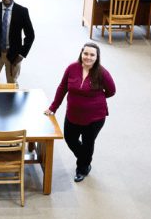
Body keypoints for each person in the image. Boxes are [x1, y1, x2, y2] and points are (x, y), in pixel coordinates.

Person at [45, 42, 116, 182]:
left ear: (97, 57)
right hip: (73, 113)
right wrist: (53, 107)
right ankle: (85, 159)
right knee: (70, 138)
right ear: (81, 53)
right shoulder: (72, 68)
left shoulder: (102, 73)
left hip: (95, 117)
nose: (88, 57)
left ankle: (82, 168)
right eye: (86, 53)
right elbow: (62, 87)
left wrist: (96, 99)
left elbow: (111, 91)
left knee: (88, 142)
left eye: (92, 55)